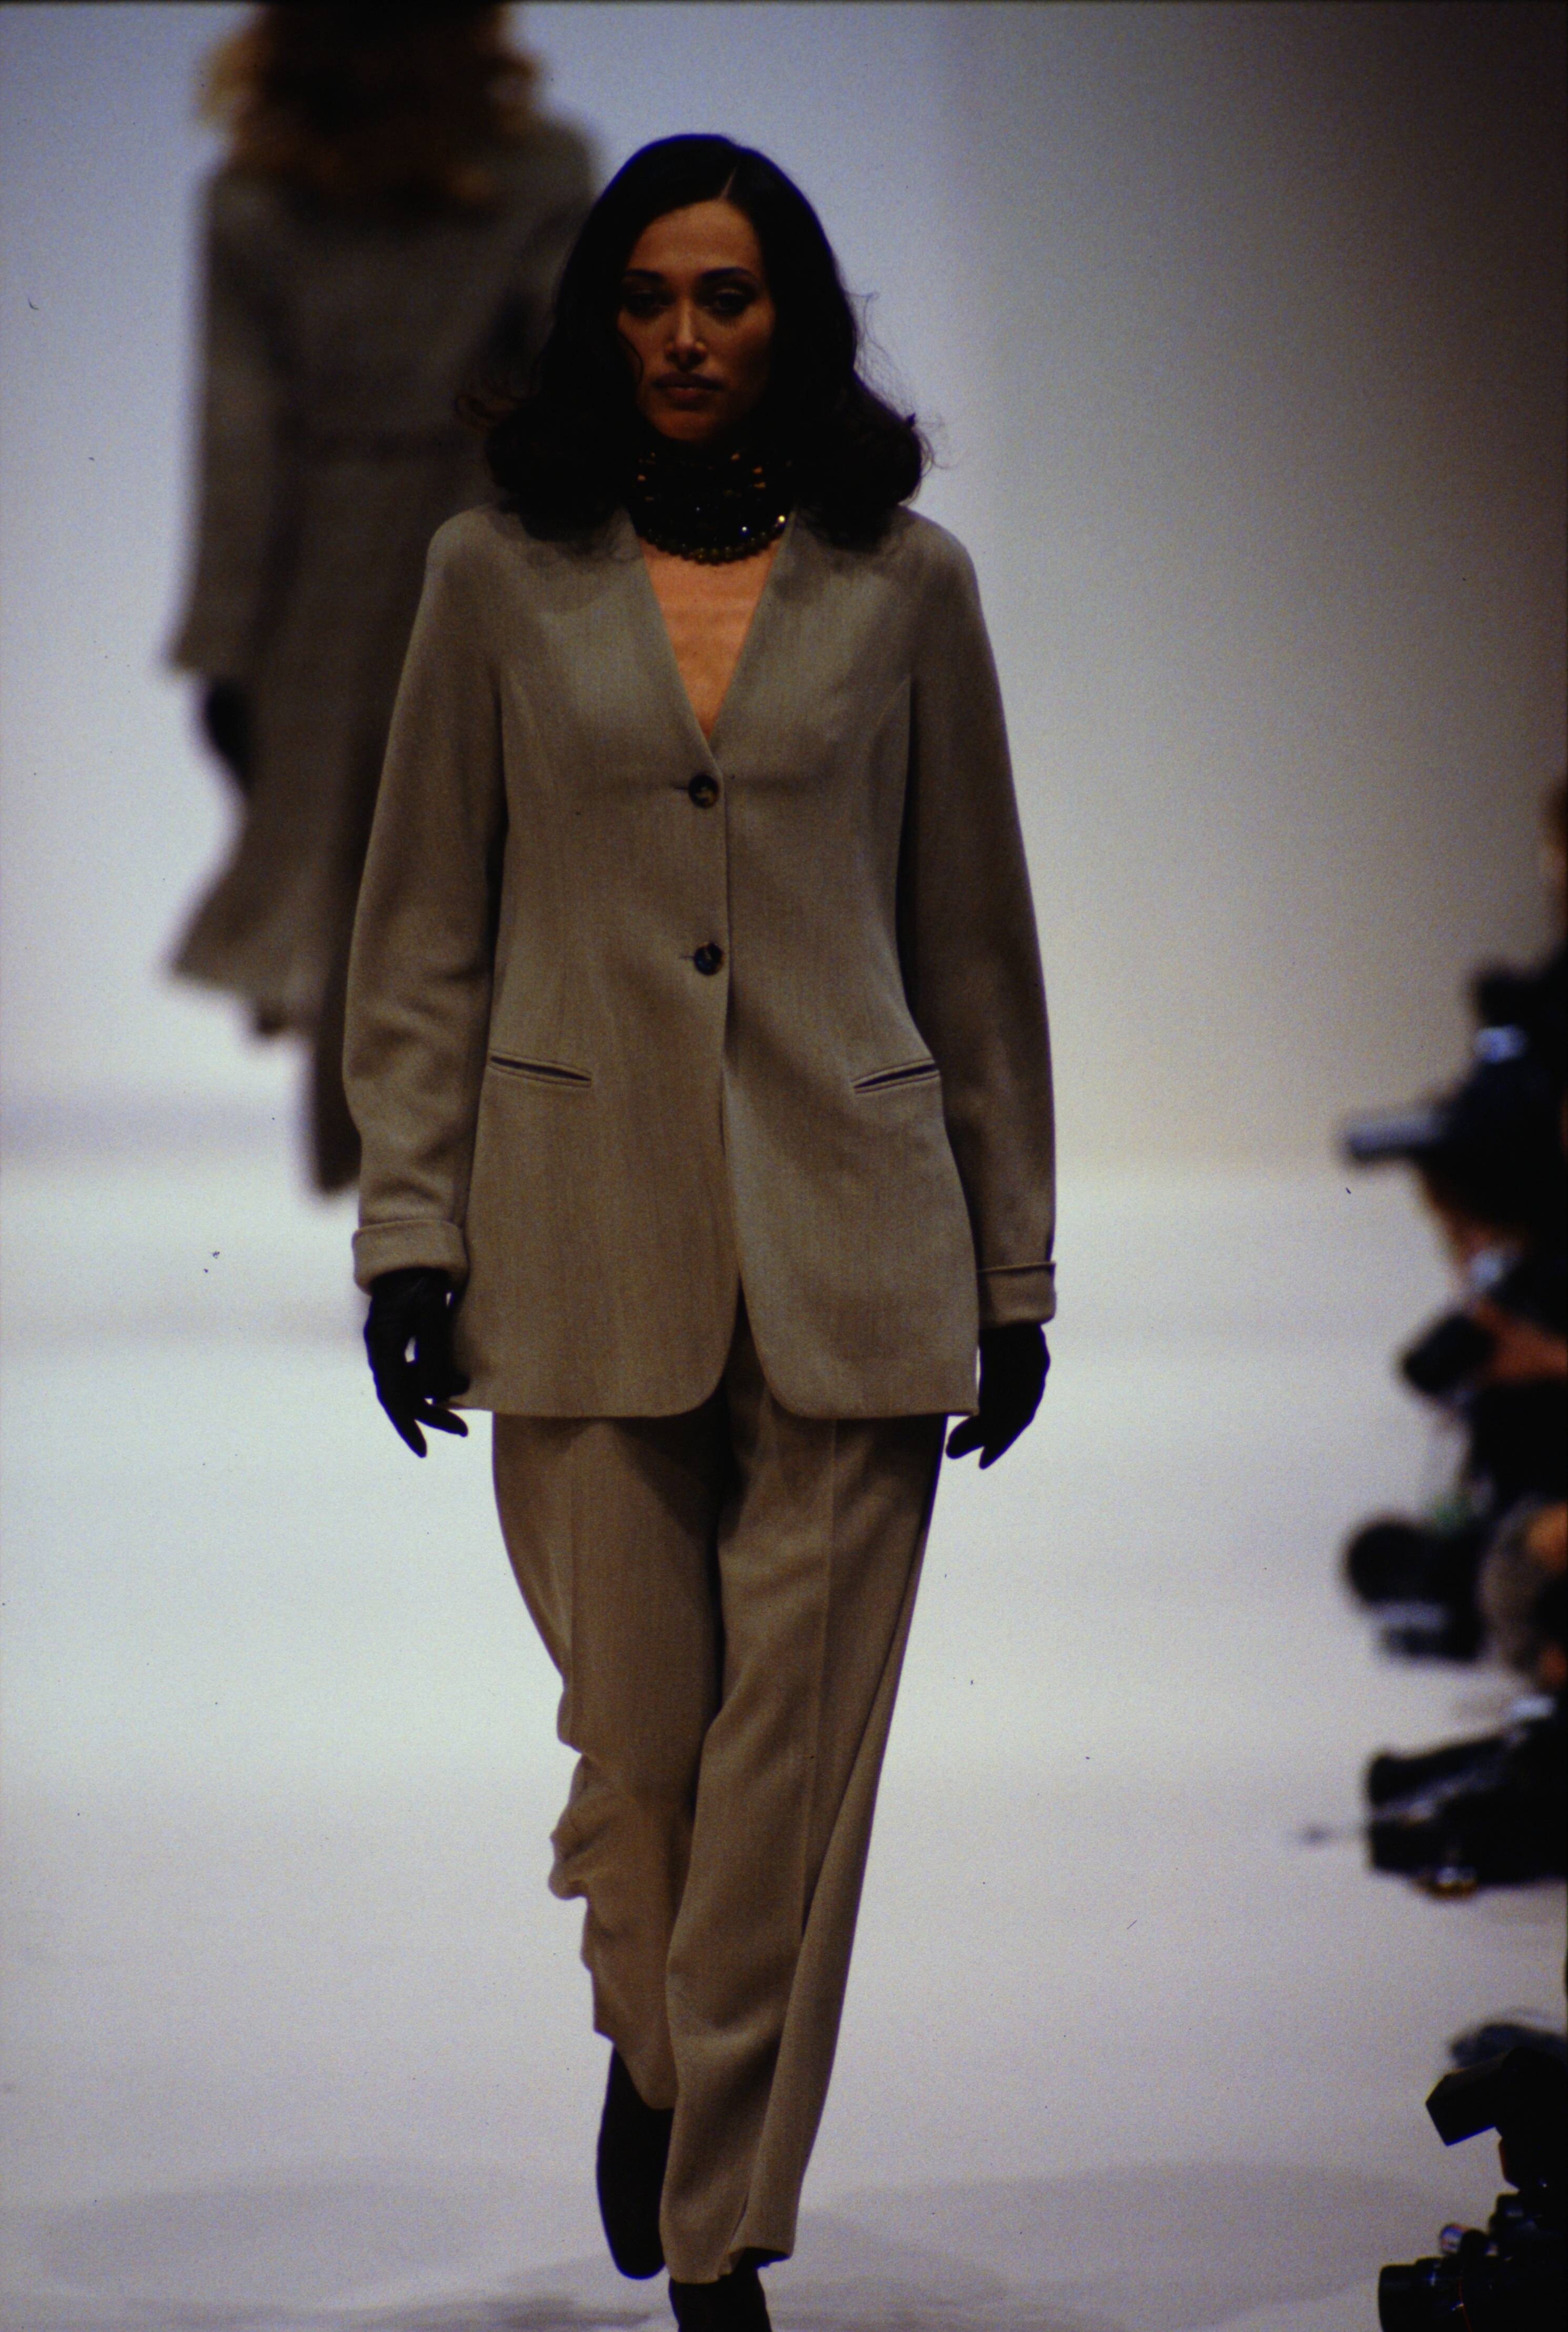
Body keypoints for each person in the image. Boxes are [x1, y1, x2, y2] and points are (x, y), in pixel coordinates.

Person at [346, 136, 1056, 2329]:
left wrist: (1012, 1267)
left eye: (725, 297)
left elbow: (974, 944)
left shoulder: (906, 584)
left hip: (859, 1233)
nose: (683, 336)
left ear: (791, 318)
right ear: (599, 319)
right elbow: (423, 931)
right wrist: (407, 1234)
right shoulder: (494, 578)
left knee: (788, 1779)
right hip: (576, 1238)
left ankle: (720, 2225)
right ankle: (659, 2048)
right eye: (648, 297)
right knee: (642, 1754)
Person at [168, 3, 594, 1191]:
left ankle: (401, 1186)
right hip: (481, 540)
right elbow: (565, 379)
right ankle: (459, 1179)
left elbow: (243, 430)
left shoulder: (257, 194)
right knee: (477, 865)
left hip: (331, 567)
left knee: (371, 877)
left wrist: (222, 647)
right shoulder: (535, 168)